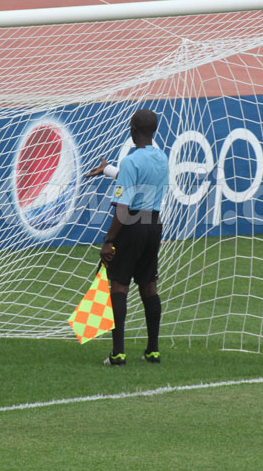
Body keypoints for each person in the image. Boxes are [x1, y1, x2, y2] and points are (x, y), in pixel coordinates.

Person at [85, 109, 169, 366]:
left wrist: (109, 240)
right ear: (153, 131)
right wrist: (108, 170)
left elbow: (123, 206)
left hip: (132, 224)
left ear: (132, 129)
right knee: (149, 286)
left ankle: (118, 354)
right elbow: (136, 177)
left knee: (119, 285)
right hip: (153, 224)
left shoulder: (132, 161)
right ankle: (153, 350)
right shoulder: (162, 158)